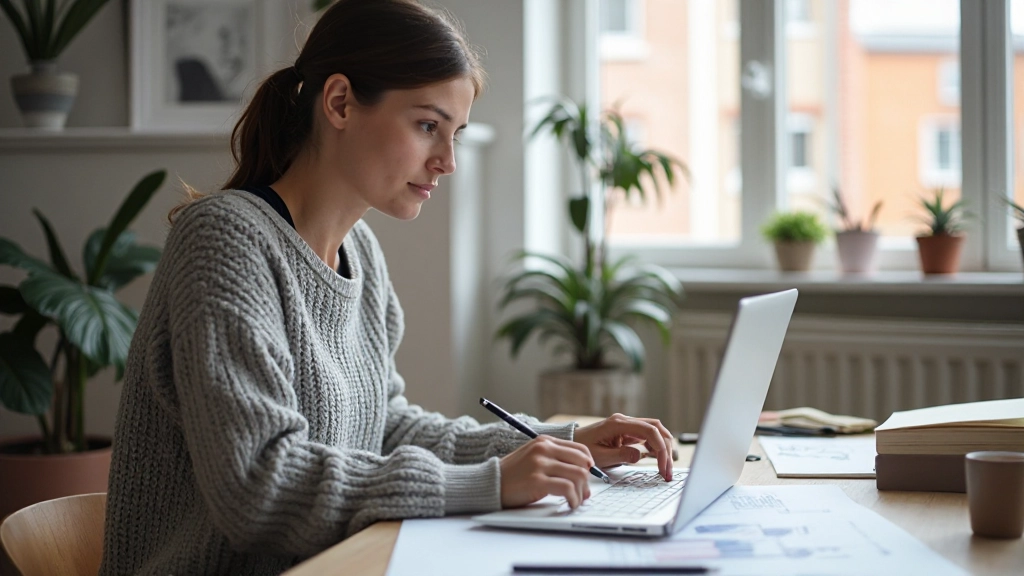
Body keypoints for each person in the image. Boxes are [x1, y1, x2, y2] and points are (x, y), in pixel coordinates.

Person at [99, 1, 674, 574]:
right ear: (340, 102)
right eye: (427, 125)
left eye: (456, 134)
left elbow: (385, 426)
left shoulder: (362, 253)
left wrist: (558, 442)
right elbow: (259, 483)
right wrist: (488, 483)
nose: (447, 161)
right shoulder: (225, 240)